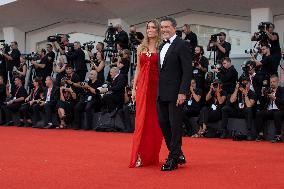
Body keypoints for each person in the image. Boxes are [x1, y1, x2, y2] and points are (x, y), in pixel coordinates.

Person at [158, 17, 192, 171]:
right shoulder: (161, 45)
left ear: (174, 27)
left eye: (166, 27)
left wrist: (183, 92)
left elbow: (187, 71)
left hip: (175, 93)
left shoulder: (182, 44)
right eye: (162, 27)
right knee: (163, 123)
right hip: (161, 93)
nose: (164, 29)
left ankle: (173, 158)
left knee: (175, 125)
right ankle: (177, 153)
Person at [129, 20, 163, 168]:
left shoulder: (162, 47)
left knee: (154, 122)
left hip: (157, 88)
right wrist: (134, 88)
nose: (150, 30)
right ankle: (139, 155)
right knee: (141, 121)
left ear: (158, 30)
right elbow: (138, 69)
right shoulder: (141, 47)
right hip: (143, 88)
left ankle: (151, 155)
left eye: (153, 27)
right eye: (148, 27)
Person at [255, 75, 284, 142]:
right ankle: (260, 134)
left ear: (278, 82)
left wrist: (274, 98)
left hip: (280, 110)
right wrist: (262, 94)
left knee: (277, 114)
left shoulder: (282, 90)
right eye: (271, 82)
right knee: (259, 113)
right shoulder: (268, 90)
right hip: (270, 110)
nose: (272, 83)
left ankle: (278, 136)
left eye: (274, 82)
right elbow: (262, 103)